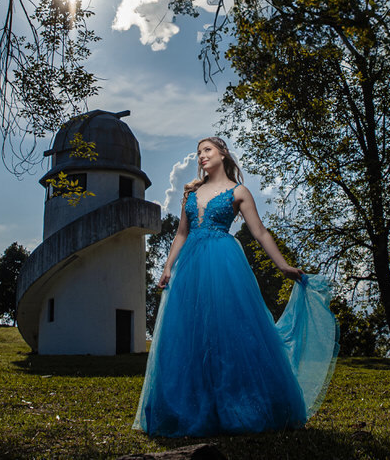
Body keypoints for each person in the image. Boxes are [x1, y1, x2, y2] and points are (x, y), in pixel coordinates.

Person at [134, 137, 339, 437]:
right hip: (190, 267)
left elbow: (260, 232)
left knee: (228, 332)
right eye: (198, 153)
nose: (201, 156)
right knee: (188, 335)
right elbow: (180, 233)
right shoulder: (190, 191)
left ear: (222, 154)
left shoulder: (238, 191)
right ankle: (187, 408)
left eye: (207, 150)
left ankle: (237, 406)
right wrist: (167, 267)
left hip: (223, 264)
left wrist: (283, 265)